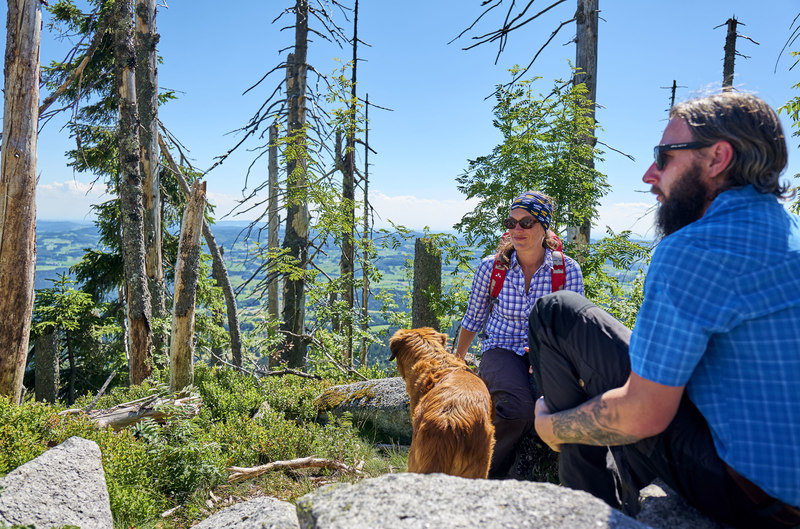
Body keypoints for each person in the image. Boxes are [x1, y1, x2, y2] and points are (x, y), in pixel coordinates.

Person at [528, 92, 800, 528]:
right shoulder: (787, 230)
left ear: (717, 158)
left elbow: (643, 412)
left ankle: (590, 512)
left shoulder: (695, 248)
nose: (649, 173)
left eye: (664, 156)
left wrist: (552, 428)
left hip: (756, 499)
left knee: (556, 313)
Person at [455, 191, 584, 478]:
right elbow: (474, 318)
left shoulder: (566, 270)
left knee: (552, 409)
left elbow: (574, 329)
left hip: (548, 353)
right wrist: (457, 361)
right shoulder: (492, 267)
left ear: (544, 227)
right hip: (501, 347)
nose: (517, 230)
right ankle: (478, 476)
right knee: (516, 410)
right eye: (511, 223)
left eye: (526, 223)